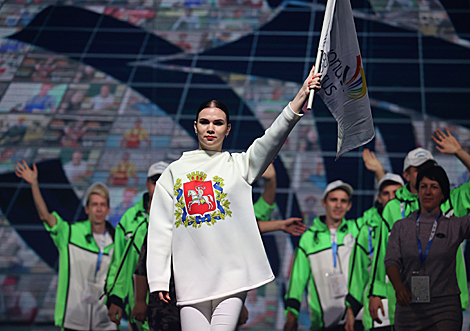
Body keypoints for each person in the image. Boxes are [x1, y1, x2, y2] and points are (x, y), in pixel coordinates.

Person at [146, 66, 321, 331]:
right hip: (190, 278)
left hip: (231, 276)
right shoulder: (174, 172)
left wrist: (300, 96)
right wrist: (158, 280)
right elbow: (160, 229)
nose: (210, 128)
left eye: (218, 123)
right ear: (195, 126)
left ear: (228, 129)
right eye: (205, 122)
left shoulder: (238, 165)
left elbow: (272, 138)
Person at [368, 128, 470, 326]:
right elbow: (383, 253)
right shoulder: (393, 208)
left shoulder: (450, 200)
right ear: (406, 175)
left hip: (445, 298)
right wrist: (376, 292)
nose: (425, 172)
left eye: (429, 167)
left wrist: (459, 152)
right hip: (407, 300)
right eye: (418, 169)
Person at [14, 160, 117, 331]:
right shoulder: (70, 233)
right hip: (74, 321)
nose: (98, 209)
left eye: (102, 205)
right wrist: (34, 184)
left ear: (108, 210)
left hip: (104, 322)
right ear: (86, 209)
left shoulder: (117, 242)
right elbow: (45, 216)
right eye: (94, 205)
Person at [385, 165, 470, 330]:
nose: (428, 192)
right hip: (409, 307)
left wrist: (459, 152)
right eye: (423, 186)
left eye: (434, 187)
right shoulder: (401, 226)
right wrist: (398, 287)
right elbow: (391, 261)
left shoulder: (455, 225)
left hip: (445, 309)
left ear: (443, 193)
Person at [284, 180, 363, 331]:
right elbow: (298, 279)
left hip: (355, 319)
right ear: (324, 202)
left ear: (349, 206)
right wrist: (291, 314)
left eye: (343, 201)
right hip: (323, 323)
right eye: (333, 200)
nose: (338, 205)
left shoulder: (358, 230)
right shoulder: (308, 238)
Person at [106, 161, 169, 330]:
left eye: (165, 182)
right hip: (138, 308)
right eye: (156, 182)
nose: (160, 187)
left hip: (171, 307)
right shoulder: (129, 219)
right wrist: (116, 298)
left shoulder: (181, 217)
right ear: (148, 184)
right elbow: (119, 262)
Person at [345, 163, 404, 331]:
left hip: (411, 309)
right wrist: (351, 308)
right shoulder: (368, 228)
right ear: (379, 198)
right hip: (380, 311)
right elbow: (358, 271)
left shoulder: (416, 221)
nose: (391, 197)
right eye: (385, 194)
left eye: (396, 193)